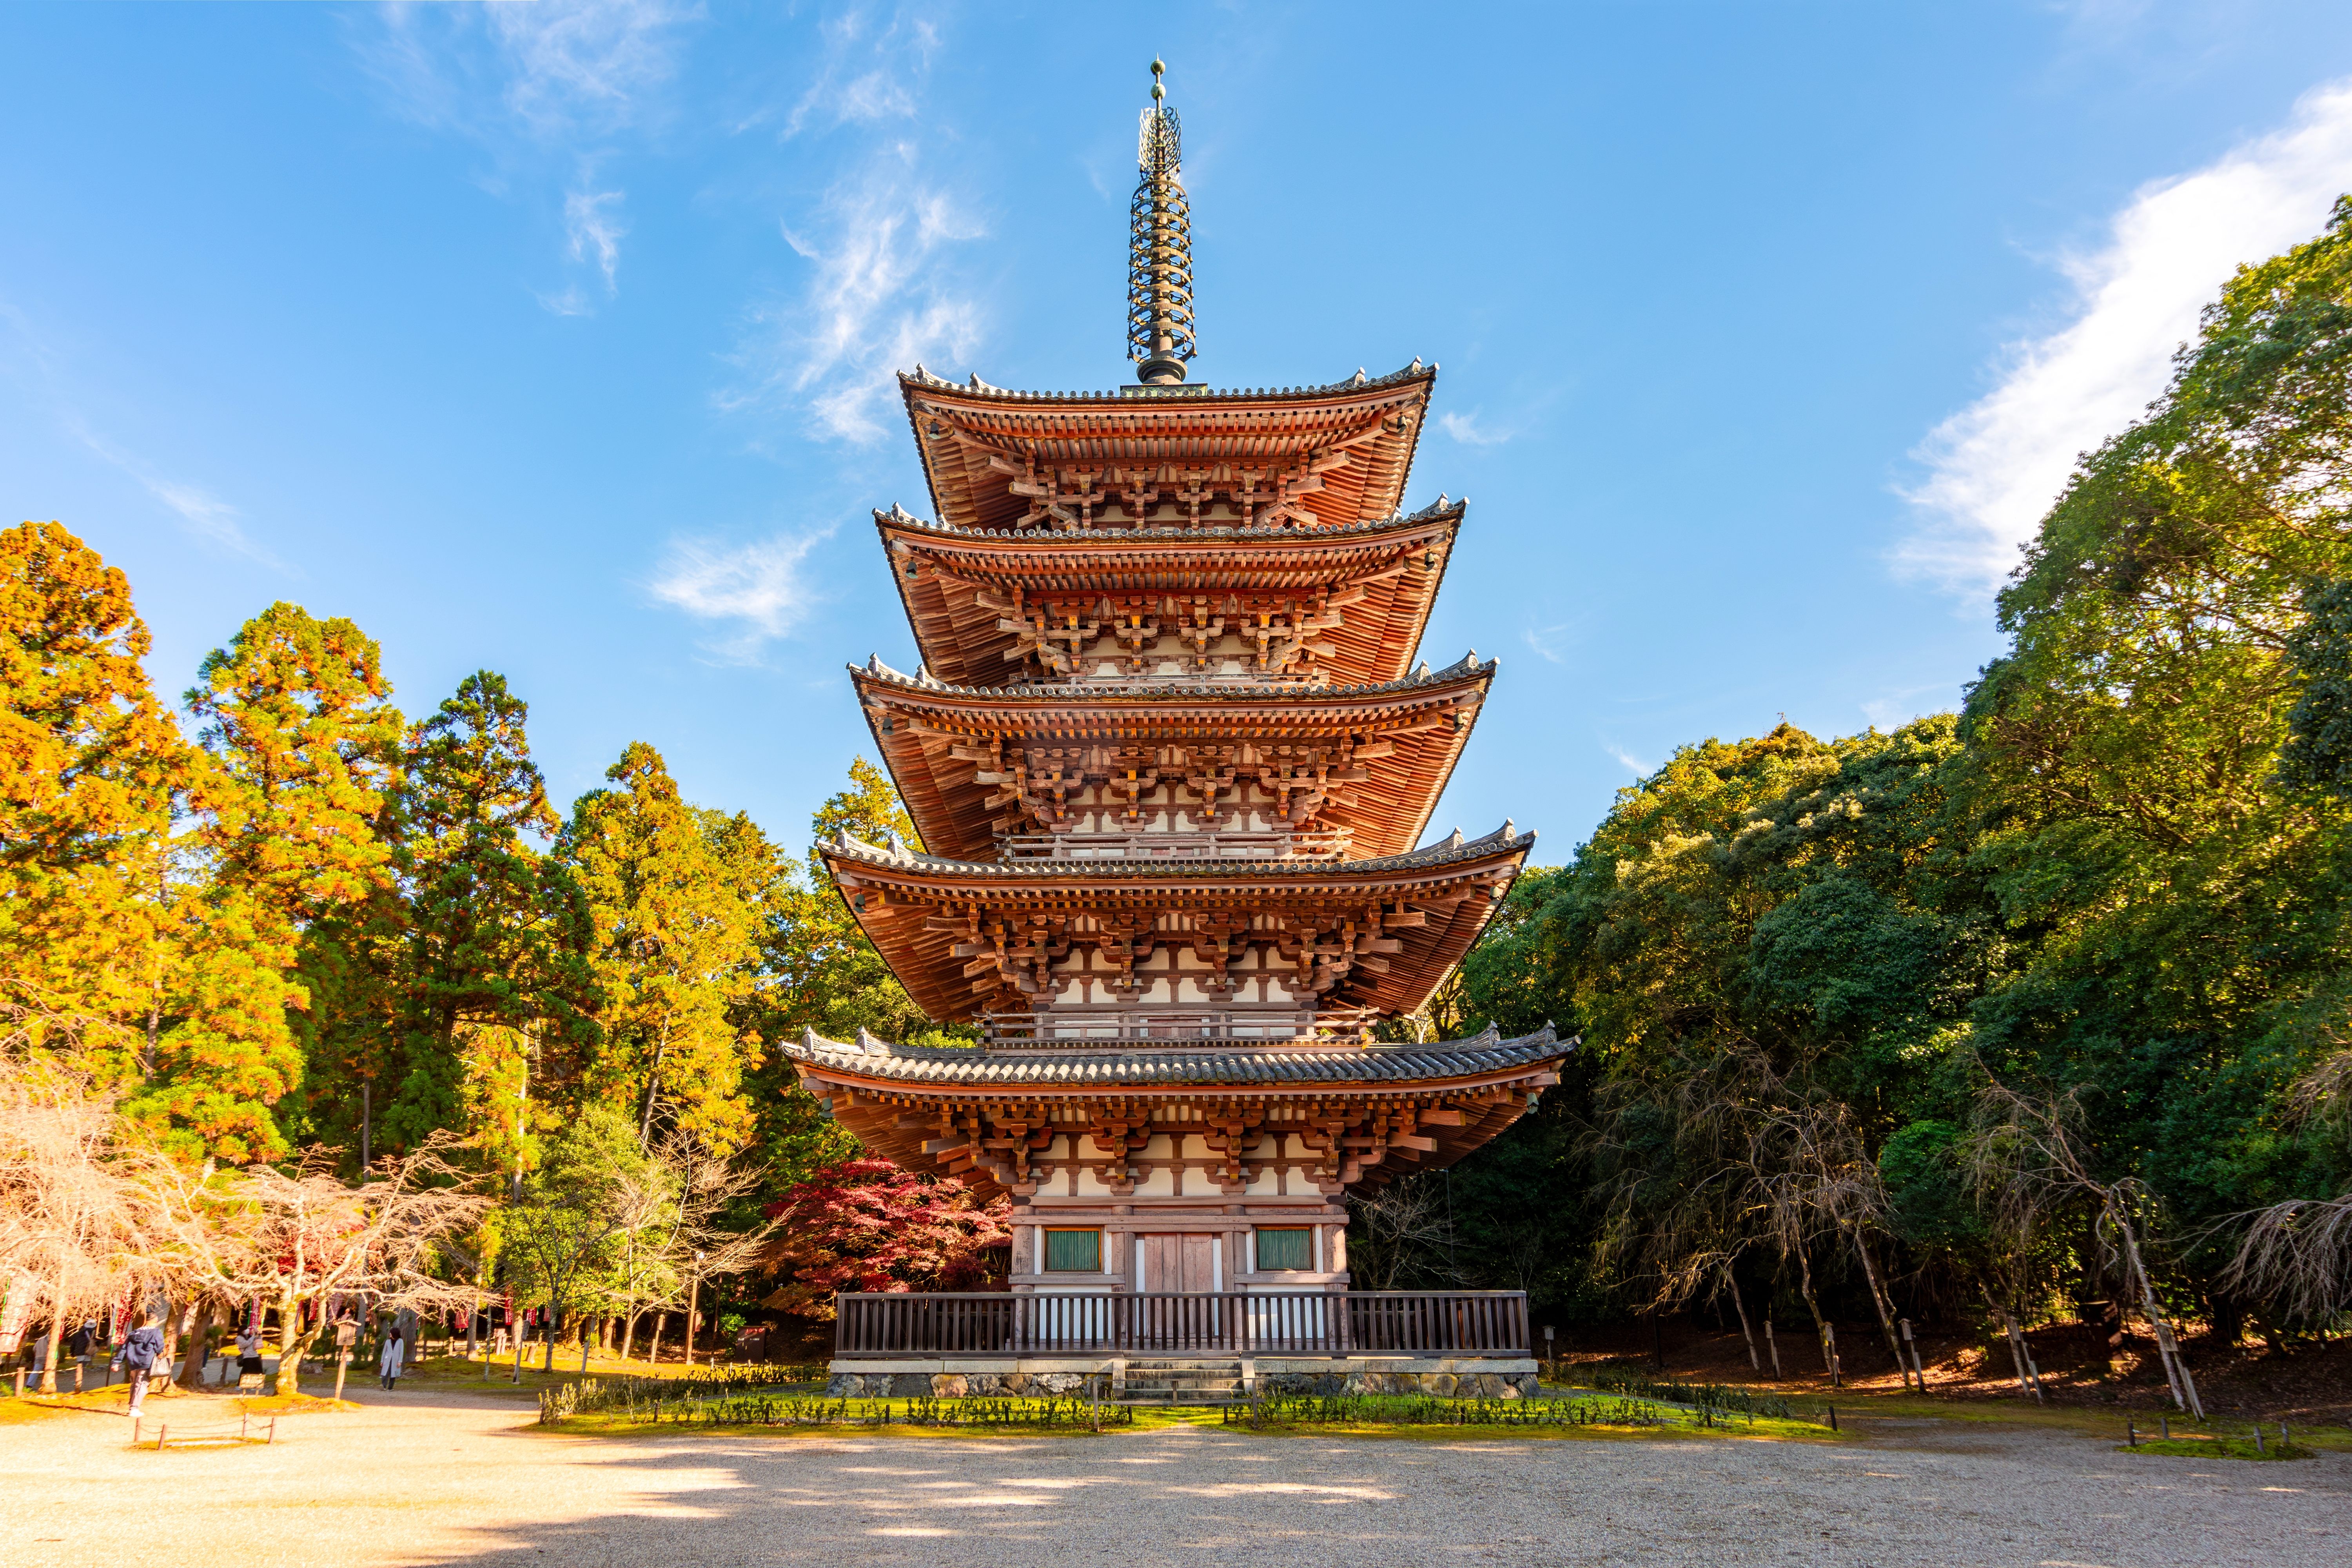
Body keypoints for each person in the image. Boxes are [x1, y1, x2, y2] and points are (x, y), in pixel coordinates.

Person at [112, 1312, 164, 1419]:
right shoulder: (155, 1332)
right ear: (155, 1321)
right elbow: (160, 1348)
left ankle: (133, 1407)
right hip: (146, 1361)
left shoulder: (133, 1334)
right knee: (142, 1385)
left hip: (133, 1363)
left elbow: (124, 1349)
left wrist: (116, 1362)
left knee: (135, 1385)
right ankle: (134, 1408)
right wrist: (160, 1354)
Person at [236, 1322, 263, 1388]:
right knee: (246, 1371)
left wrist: (258, 1334)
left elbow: (259, 1341)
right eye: (246, 1329)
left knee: (258, 1370)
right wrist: (253, 1336)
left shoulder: (250, 1336)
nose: (248, 1330)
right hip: (247, 1356)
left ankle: (256, 1385)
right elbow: (246, 1344)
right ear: (242, 1330)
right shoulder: (239, 1338)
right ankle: (240, 1385)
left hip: (255, 1355)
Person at [378, 1325, 405, 1392]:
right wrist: (382, 1361)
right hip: (387, 1360)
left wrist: (400, 1361)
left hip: (396, 1360)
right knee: (385, 1373)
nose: (390, 1334)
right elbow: (384, 1352)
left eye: (391, 1333)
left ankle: (390, 1388)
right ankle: (384, 1386)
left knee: (393, 1373)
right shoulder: (388, 1341)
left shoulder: (400, 1341)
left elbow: (401, 1352)